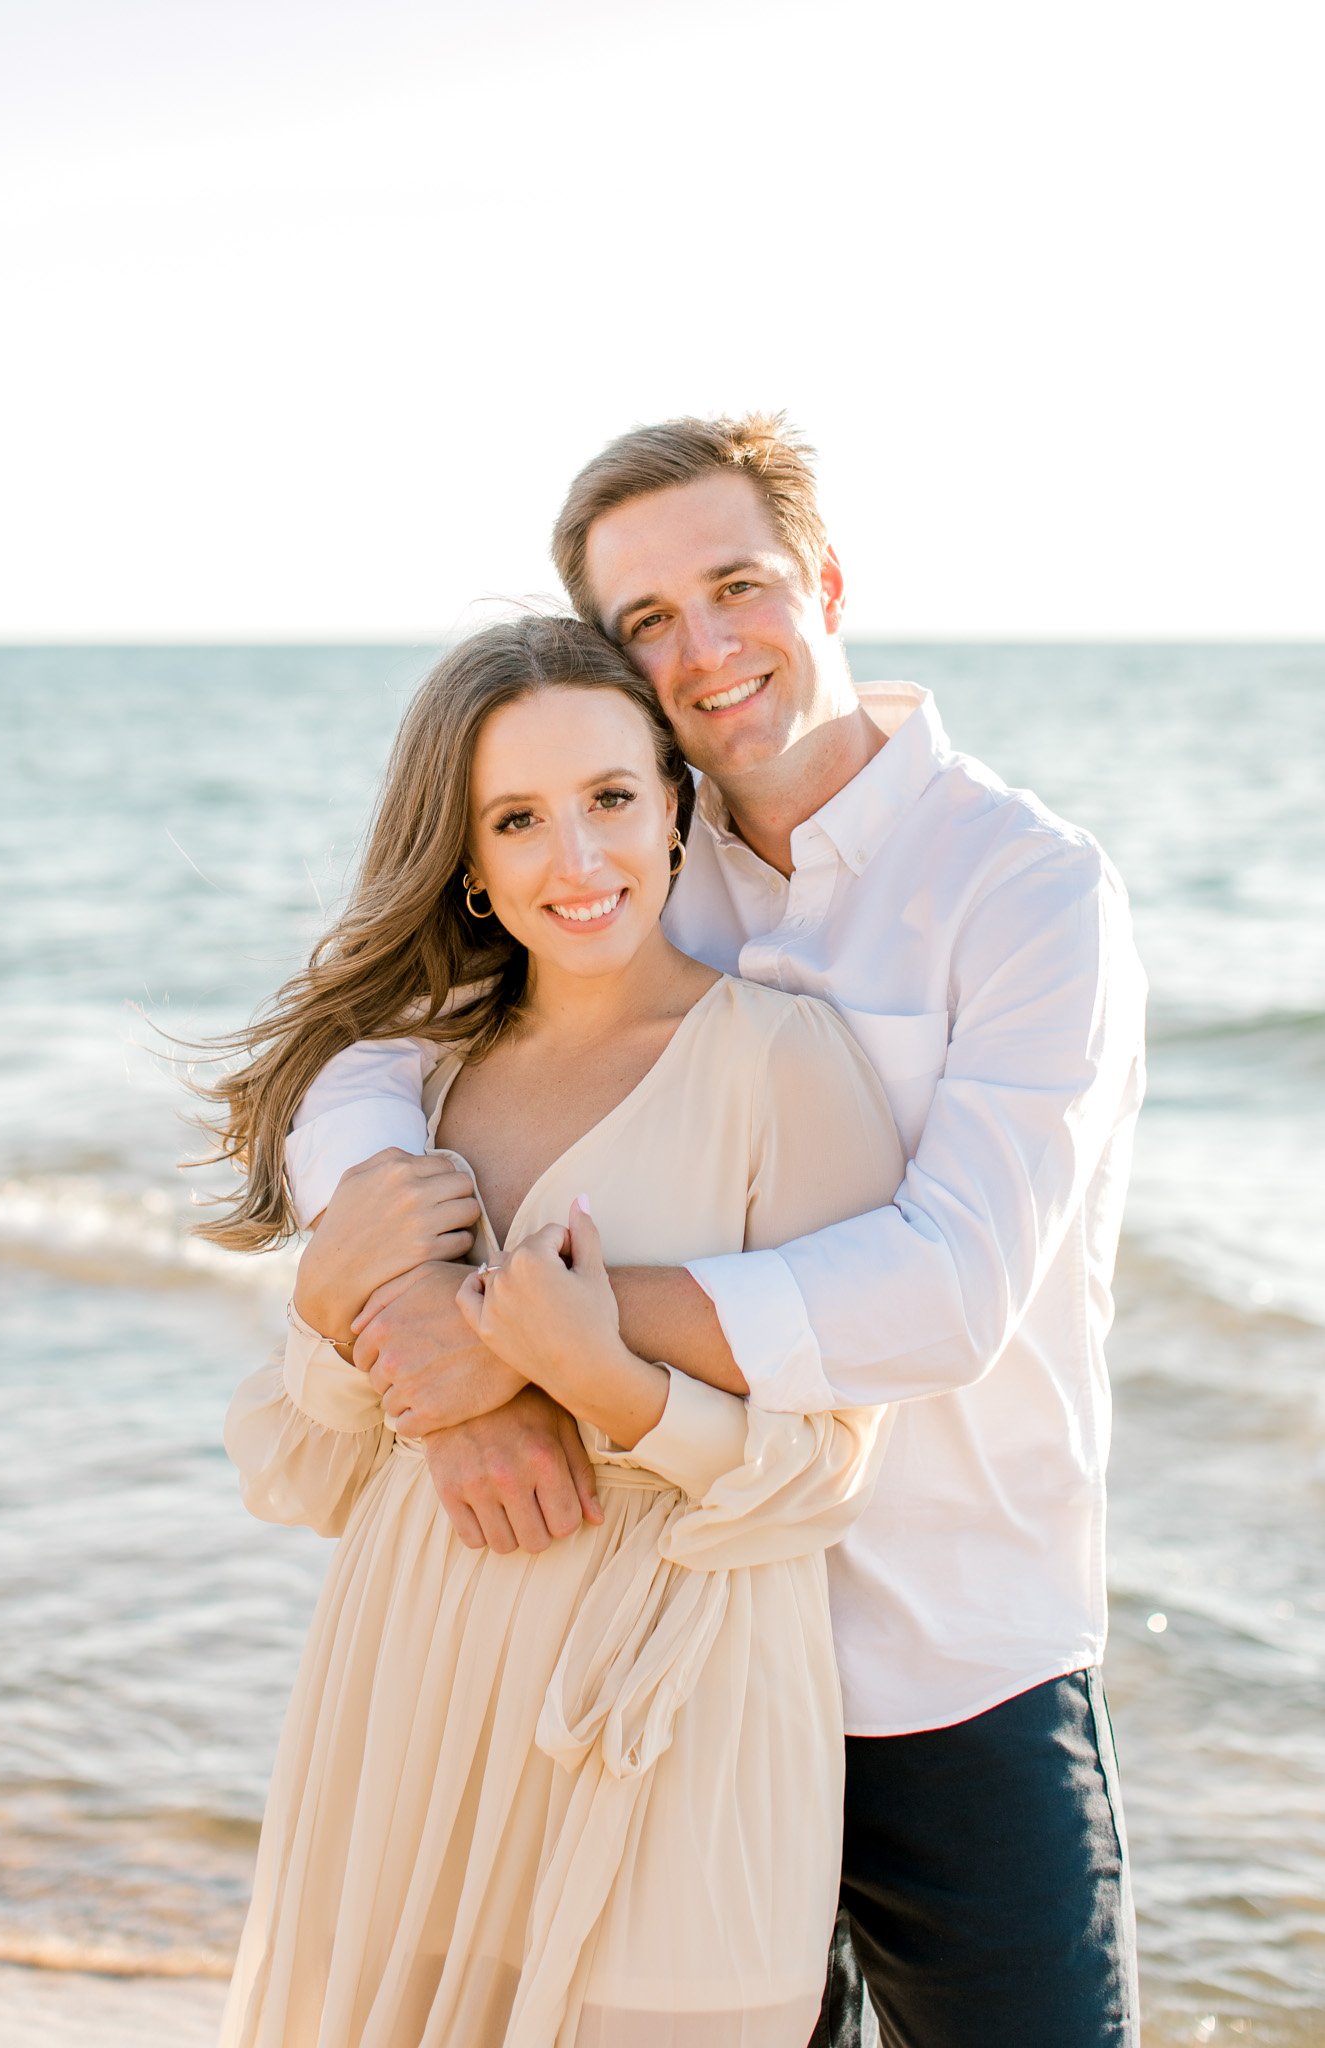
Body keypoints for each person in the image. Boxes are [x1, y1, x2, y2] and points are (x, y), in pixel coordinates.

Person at [292, 416, 1149, 2046]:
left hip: (941, 1659)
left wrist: (527, 1325)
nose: (704, 649)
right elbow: (377, 1060)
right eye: (646, 622)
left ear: (823, 581)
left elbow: (948, 1291)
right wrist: (415, 1285)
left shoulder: (1022, 885)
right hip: (644, 1636)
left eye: (736, 586)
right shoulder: (632, 849)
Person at [204, 614, 905, 2046]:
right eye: (517, 820)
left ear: (675, 803)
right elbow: (299, 1468)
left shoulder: (788, 1065)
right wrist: (407, 1375)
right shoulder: (421, 1081)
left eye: (607, 802)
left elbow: (832, 1469)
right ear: (464, 860)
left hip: (678, 1709)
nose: (575, 861)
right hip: (415, 1677)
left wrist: (604, 1383)